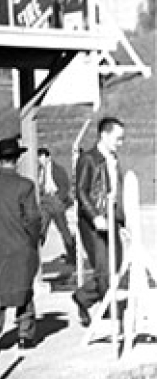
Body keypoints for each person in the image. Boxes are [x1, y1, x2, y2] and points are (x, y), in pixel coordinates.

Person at [0, 136, 42, 354]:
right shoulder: (26, 186)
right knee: (24, 291)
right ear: (17, 159)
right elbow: (32, 219)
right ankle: (25, 334)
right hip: (19, 247)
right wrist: (34, 240)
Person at [72, 117, 126, 327]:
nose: (120, 143)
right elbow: (81, 191)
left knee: (117, 263)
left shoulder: (112, 159)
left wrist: (122, 220)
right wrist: (95, 216)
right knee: (103, 268)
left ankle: (83, 297)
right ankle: (109, 309)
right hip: (94, 222)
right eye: (117, 138)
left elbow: (115, 191)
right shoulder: (89, 159)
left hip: (111, 218)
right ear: (104, 135)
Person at [35, 146, 77, 270]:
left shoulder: (58, 170)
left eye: (42, 158)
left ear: (48, 158)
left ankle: (72, 255)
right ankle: (35, 256)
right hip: (44, 201)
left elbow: (65, 186)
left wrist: (60, 199)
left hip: (56, 200)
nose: (40, 161)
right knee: (41, 229)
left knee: (64, 230)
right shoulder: (38, 171)